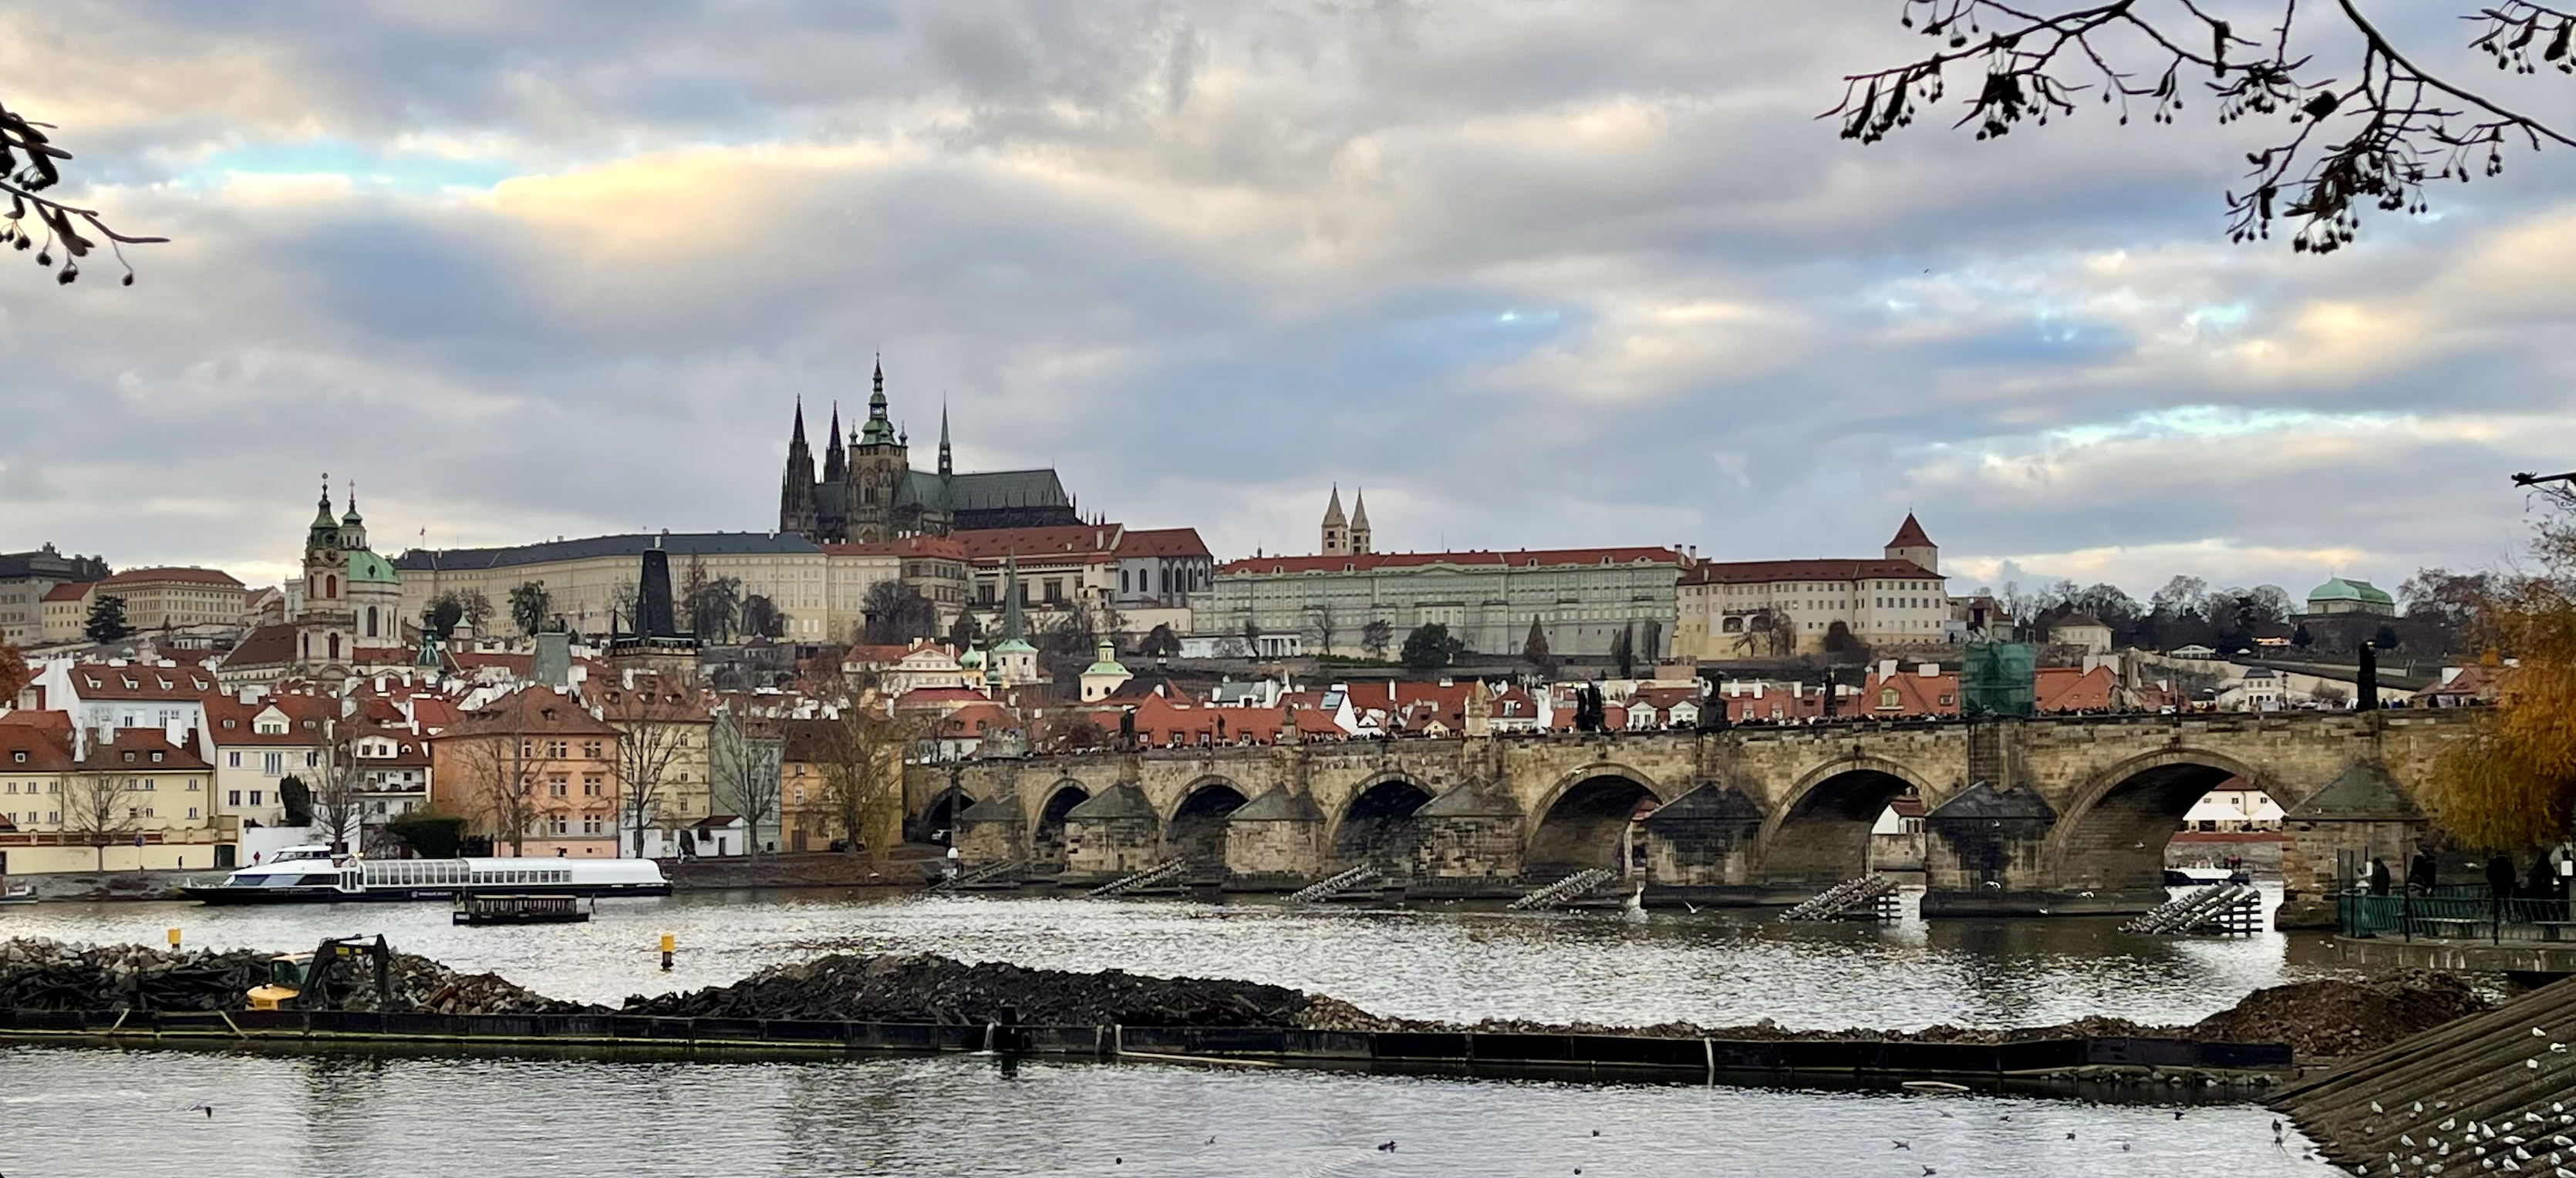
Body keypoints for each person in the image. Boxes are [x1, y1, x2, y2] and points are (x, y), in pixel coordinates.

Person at [2487, 853, 2518, 923]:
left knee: (2497, 902)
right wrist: (2510, 883)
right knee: (2506, 902)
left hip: (2497, 886)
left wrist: (2493, 884)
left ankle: (2496, 917)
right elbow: (2513, 875)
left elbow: (2490, 874)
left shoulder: (2494, 864)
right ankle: (2508, 916)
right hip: (2506, 886)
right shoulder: (2508, 865)